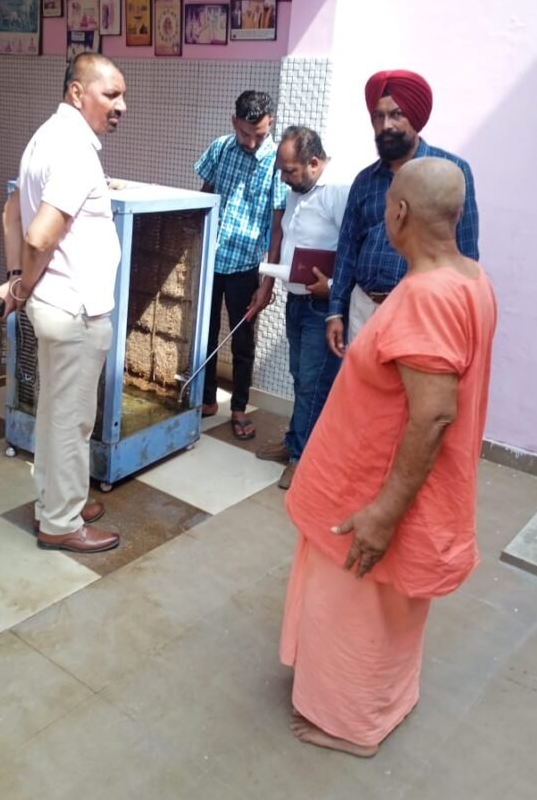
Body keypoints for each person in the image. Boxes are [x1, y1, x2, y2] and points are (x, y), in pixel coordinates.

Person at [280, 156, 497, 757]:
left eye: (386, 207)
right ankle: (384, 701)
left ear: (399, 213)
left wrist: (383, 513)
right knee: (386, 611)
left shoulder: (428, 296)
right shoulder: (472, 278)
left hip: (371, 494)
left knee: (355, 609)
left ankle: (349, 724)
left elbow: (433, 415)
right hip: (373, 480)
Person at [0, 53, 126, 554]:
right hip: (73, 311)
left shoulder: (45, 137)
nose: (121, 107)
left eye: (122, 96)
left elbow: (11, 211)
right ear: (76, 93)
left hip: (57, 304)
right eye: (111, 95)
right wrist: (19, 287)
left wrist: (15, 280)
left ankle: (58, 500)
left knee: (55, 415)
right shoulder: (74, 150)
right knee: (70, 421)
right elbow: (40, 235)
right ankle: (62, 522)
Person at [326, 69, 479, 356]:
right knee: (361, 384)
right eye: (378, 116)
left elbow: (467, 251)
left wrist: (456, 317)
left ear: (415, 118)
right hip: (363, 308)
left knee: (410, 385)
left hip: (419, 311)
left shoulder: (451, 171)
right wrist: (335, 310)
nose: (386, 125)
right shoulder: (365, 180)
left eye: (396, 114)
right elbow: (347, 248)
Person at [256, 127, 349, 489]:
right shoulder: (298, 189)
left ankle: (304, 458)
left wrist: (333, 289)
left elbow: (353, 250)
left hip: (322, 307)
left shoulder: (338, 191)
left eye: (290, 171)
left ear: (313, 163)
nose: (283, 178)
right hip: (296, 300)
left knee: (314, 383)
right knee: (299, 377)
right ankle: (295, 440)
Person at [195, 90, 286, 440]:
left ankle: (238, 408)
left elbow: (277, 226)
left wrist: (268, 281)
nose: (250, 142)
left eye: (258, 135)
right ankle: (206, 400)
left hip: (246, 266)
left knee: (242, 340)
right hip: (209, 259)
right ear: (234, 122)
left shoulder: (276, 161)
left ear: (270, 123)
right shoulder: (220, 148)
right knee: (203, 332)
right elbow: (204, 196)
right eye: (244, 133)